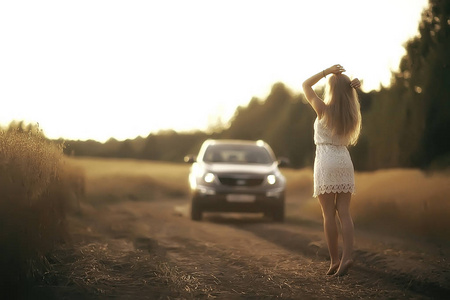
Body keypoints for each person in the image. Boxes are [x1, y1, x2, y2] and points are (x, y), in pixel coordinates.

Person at [302, 64, 362, 276]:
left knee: (328, 214)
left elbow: (306, 85)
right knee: (344, 212)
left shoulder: (322, 109)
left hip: (326, 160)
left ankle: (334, 260)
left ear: (331, 90)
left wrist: (327, 71)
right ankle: (347, 257)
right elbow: (350, 95)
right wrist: (354, 87)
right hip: (344, 160)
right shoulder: (351, 114)